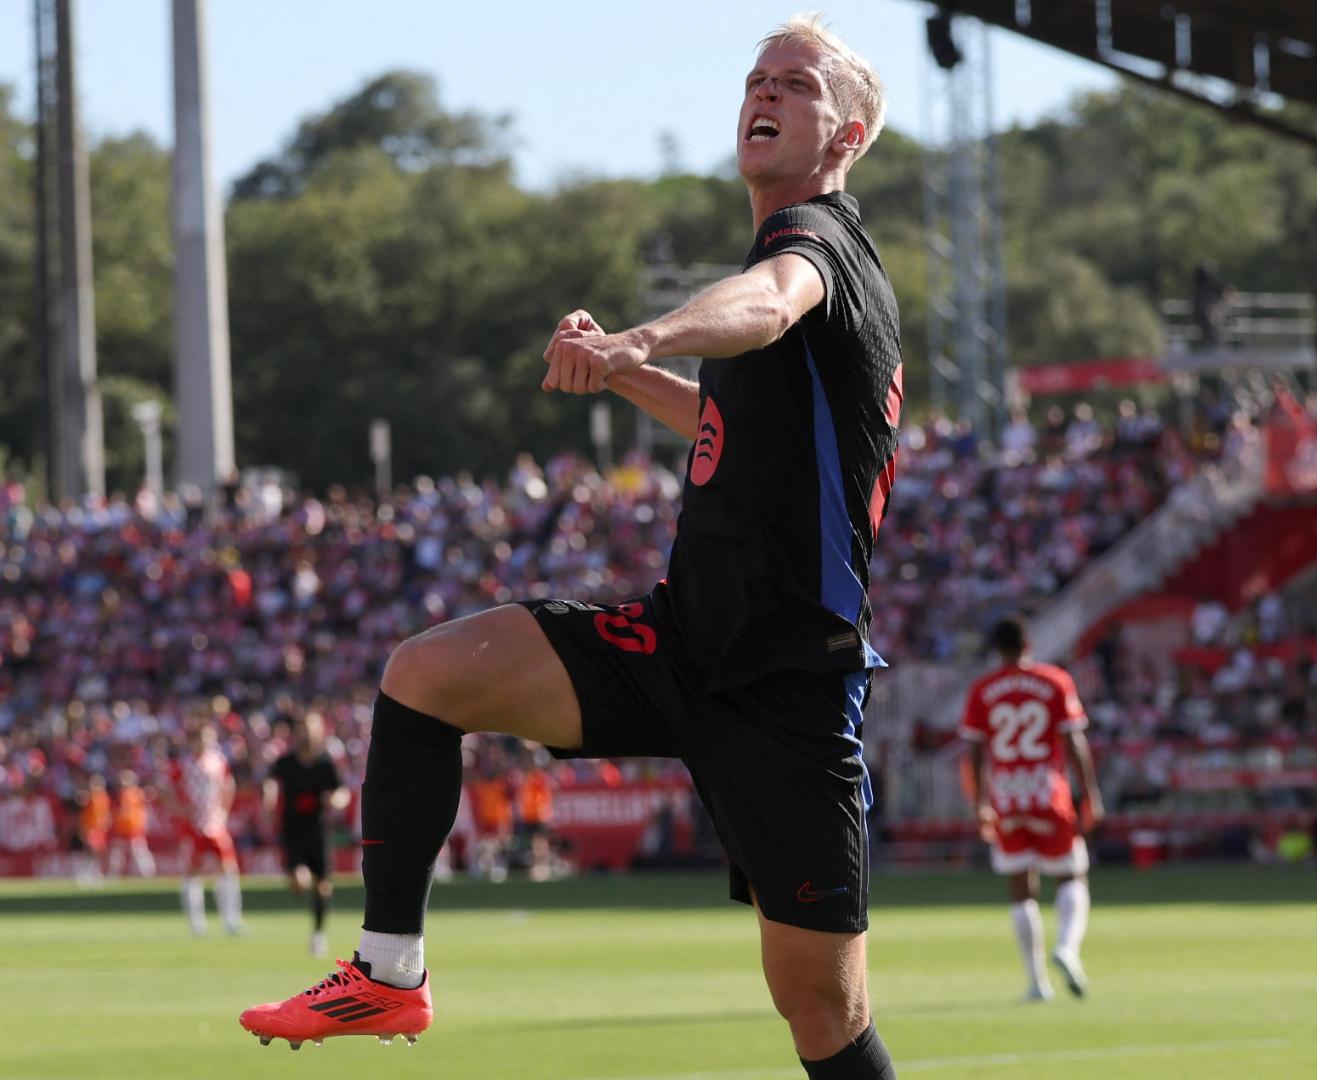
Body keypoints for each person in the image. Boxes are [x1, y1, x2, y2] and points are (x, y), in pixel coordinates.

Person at [240, 16, 903, 1076]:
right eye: (755, 78)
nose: (764, 94)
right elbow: (730, 437)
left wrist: (646, 333)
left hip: (789, 679)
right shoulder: (779, 271)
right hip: (686, 638)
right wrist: (625, 369)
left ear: (847, 137)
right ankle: (387, 973)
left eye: (796, 84)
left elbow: (770, 305)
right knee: (423, 676)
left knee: (822, 1010)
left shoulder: (817, 248)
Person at [958, 617, 1103, 1002]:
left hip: (1007, 796)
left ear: (997, 648)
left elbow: (974, 751)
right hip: (1047, 792)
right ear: (1029, 644)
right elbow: (1074, 743)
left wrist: (980, 804)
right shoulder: (1055, 680)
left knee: (1021, 888)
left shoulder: (983, 689)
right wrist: (1090, 793)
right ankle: (1067, 948)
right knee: (1073, 876)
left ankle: (1037, 982)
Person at [266, 712, 348, 956]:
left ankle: (318, 934)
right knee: (300, 881)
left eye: (310, 729)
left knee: (323, 887)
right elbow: (270, 782)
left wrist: (336, 800)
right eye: (301, 729)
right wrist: (268, 800)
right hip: (292, 831)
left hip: (319, 831)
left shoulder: (325, 763)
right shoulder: (286, 762)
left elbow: (341, 791)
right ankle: (299, 889)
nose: (305, 734)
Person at [171, 723, 245, 936]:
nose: (204, 742)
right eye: (201, 738)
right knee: (193, 871)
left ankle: (232, 919)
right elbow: (166, 788)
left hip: (215, 823)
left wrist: (224, 811)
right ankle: (196, 922)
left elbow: (229, 785)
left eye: (208, 738)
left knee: (228, 867)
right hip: (193, 825)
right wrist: (180, 810)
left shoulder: (218, 761)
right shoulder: (183, 764)